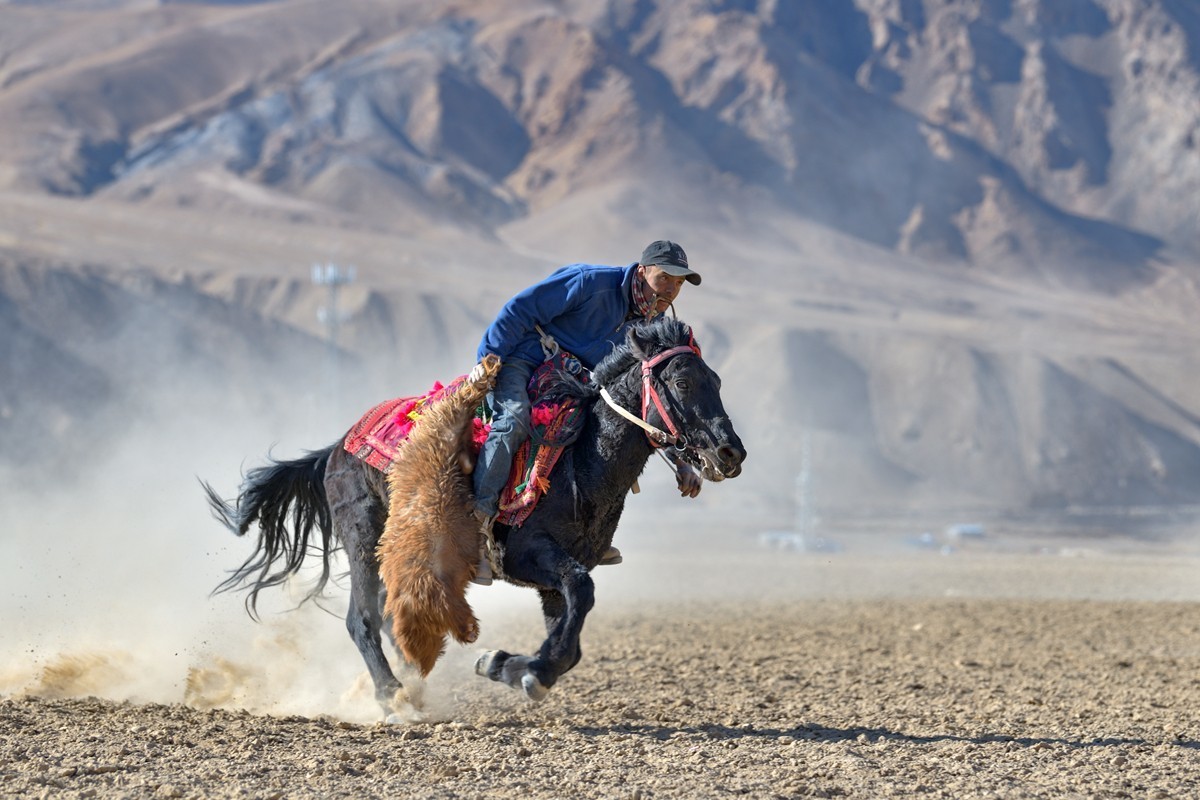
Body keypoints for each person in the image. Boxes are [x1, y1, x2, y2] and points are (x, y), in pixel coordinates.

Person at [470, 240, 705, 584]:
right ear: (643, 271)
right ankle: (475, 527)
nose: (671, 289)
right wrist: (488, 359)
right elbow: (520, 309)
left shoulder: (652, 326)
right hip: (527, 359)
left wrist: (681, 461)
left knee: (612, 437)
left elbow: (650, 398)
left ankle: (588, 536)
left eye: (679, 283)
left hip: (576, 381)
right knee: (514, 419)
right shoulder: (590, 282)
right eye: (665, 278)